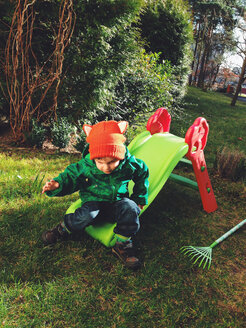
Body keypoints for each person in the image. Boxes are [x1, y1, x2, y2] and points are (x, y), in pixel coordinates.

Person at [42, 120, 149, 269]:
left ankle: (122, 245)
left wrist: (139, 197)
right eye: (100, 161)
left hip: (118, 202)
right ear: (94, 157)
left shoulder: (129, 164)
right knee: (87, 214)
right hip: (94, 201)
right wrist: (57, 184)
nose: (106, 167)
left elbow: (142, 173)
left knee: (130, 208)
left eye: (112, 161)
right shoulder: (87, 165)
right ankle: (63, 229)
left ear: (120, 155)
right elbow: (71, 176)